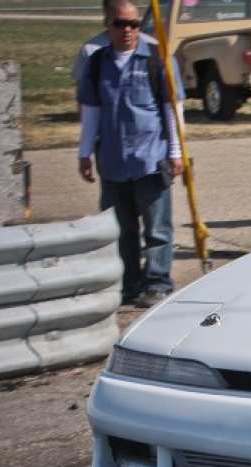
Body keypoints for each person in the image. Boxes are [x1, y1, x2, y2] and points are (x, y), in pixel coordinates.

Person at [76, 0, 184, 308]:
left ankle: (157, 282)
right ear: (107, 24)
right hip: (112, 161)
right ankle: (129, 284)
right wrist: (84, 153)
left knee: (157, 230)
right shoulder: (97, 62)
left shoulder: (155, 57)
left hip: (150, 159)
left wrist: (176, 152)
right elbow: (92, 111)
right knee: (121, 230)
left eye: (134, 24)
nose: (128, 30)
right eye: (121, 24)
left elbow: (171, 109)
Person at [70, 0, 158, 85]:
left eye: (133, 23)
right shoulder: (91, 50)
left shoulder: (154, 48)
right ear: (107, 20)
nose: (127, 29)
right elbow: (84, 91)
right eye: (119, 23)